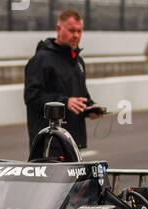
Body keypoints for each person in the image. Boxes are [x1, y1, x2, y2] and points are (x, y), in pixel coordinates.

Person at [24, 10, 103, 157]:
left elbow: (81, 96)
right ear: (58, 29)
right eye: (72, 30)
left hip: (72, 142)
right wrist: (65, 102)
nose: (76, 35)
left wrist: (90, 108)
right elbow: (32, 96)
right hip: (48, 143)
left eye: (79, 31)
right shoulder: (41, 59)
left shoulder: (78, 61)